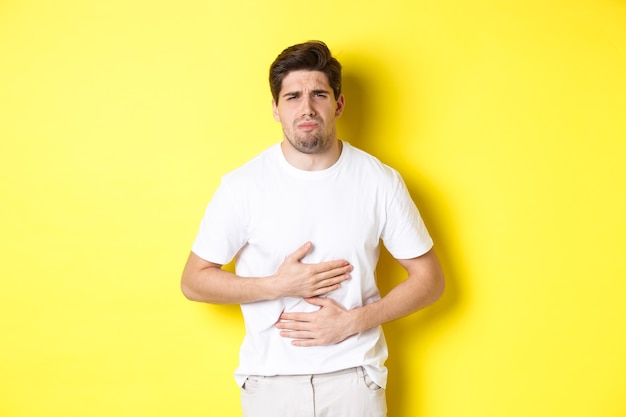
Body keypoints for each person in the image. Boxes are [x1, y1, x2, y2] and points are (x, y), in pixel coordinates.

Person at [181, 40, 445, 417]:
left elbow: (429, 279)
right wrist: (280, 285)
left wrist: (354, 321)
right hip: (270, 382)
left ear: (337, 104)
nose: (306, 108)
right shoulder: (242, 186)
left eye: (318, 94)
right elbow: (193, 281)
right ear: (276, 109)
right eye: (292, 97)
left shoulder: (379, 181)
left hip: (353, 378)